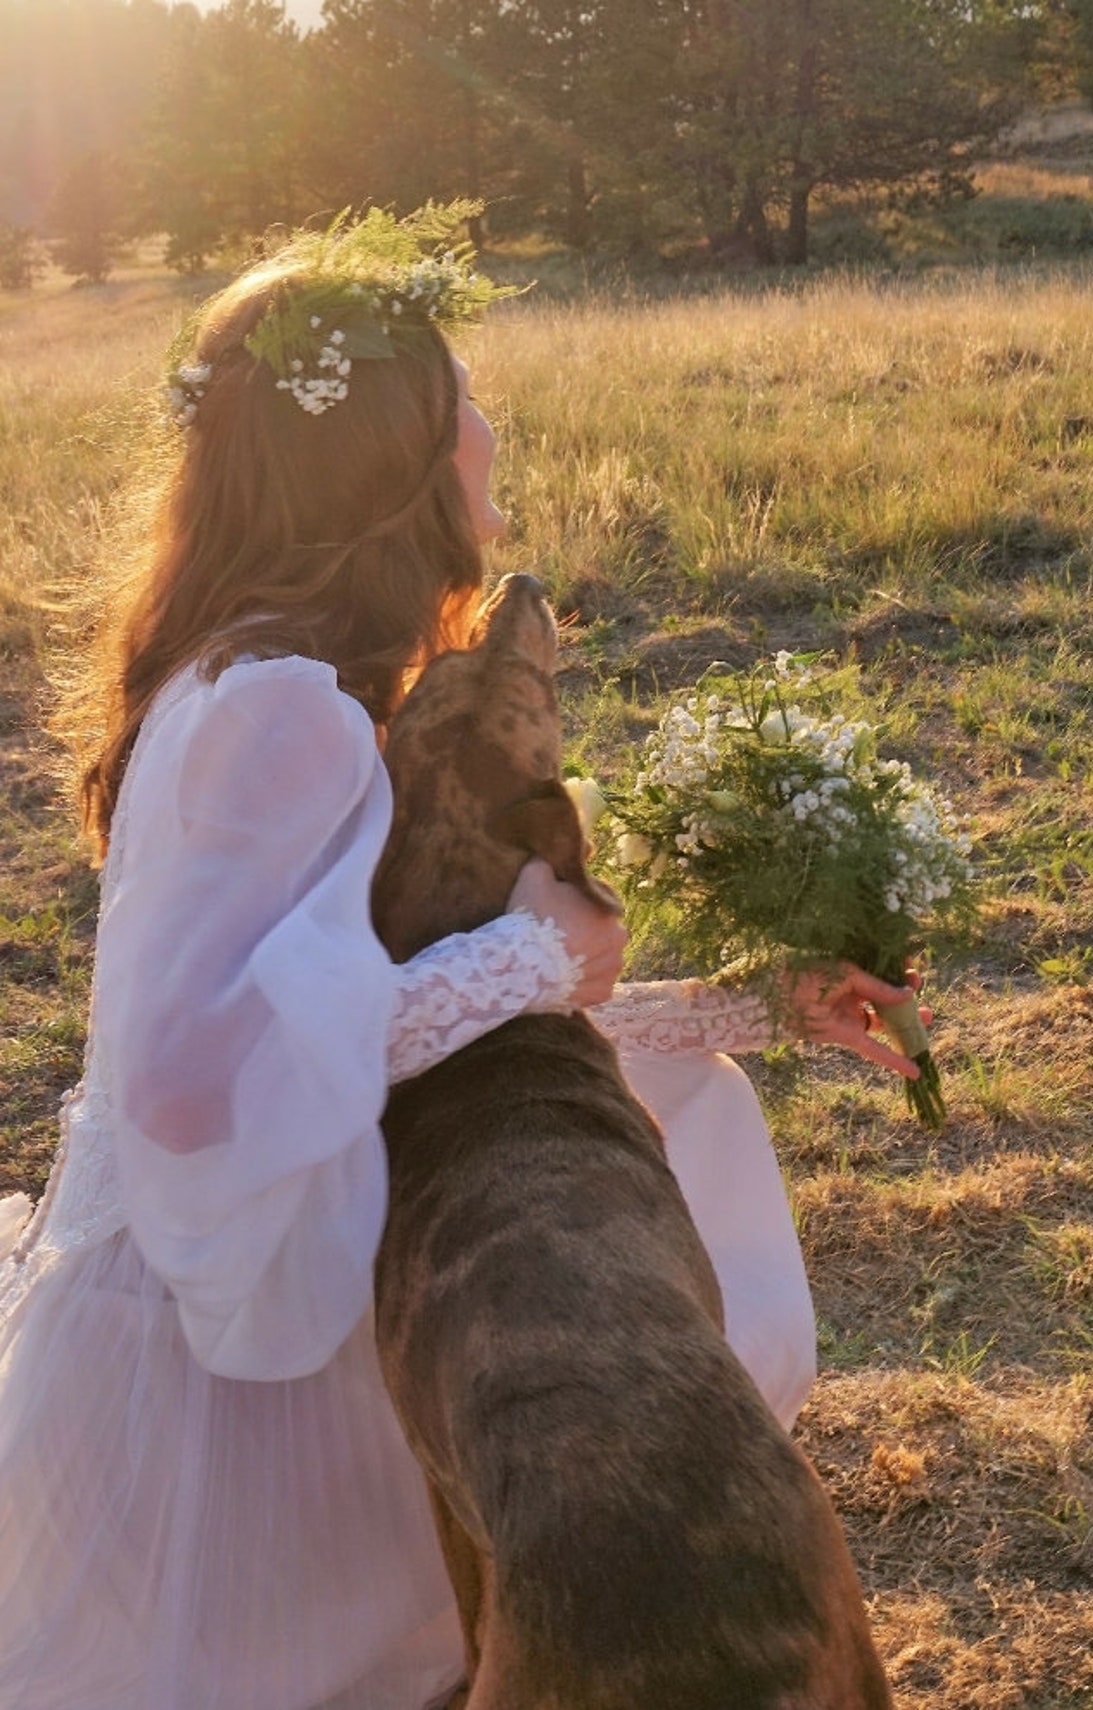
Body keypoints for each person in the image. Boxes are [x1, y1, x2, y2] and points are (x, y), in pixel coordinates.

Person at [0, 208, 923, 1710]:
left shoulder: (252, 670)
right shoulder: (279, 706)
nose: (492, 426)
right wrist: (521, 961)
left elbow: (379, 1034)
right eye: (463, 399)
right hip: (216, 1401)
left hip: (250, 1299)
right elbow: (192, 1088)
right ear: (395, 468)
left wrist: (756, 1005)